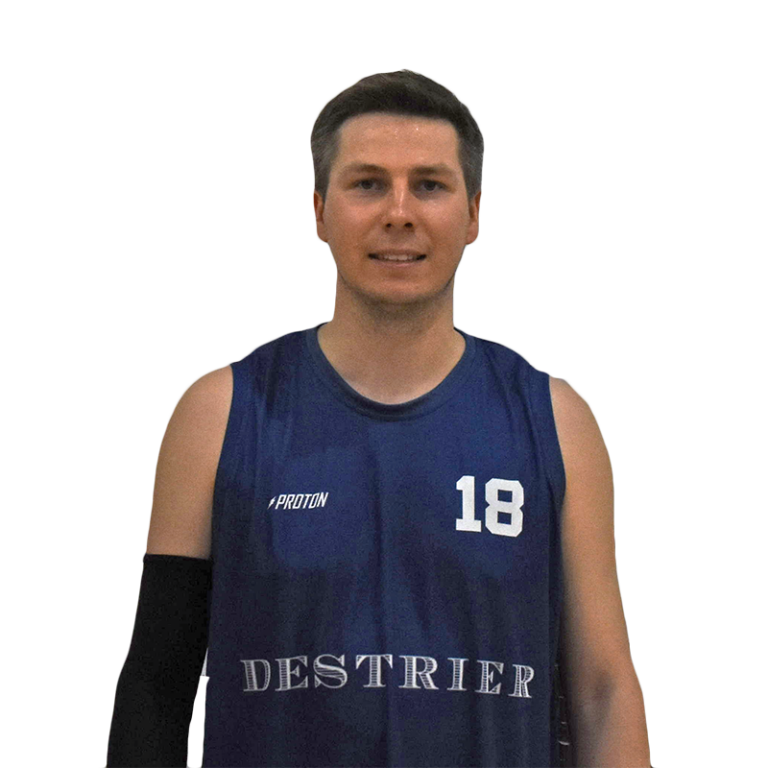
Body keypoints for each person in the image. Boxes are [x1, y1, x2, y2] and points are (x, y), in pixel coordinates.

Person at [106, 69, 651, 767]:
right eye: (367, 184)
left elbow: (602, 690)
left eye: (429, 185)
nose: (399, 212)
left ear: (474, 214)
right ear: (319, 212)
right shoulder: (217, 412)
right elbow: (157, 684)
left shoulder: (557, 420)